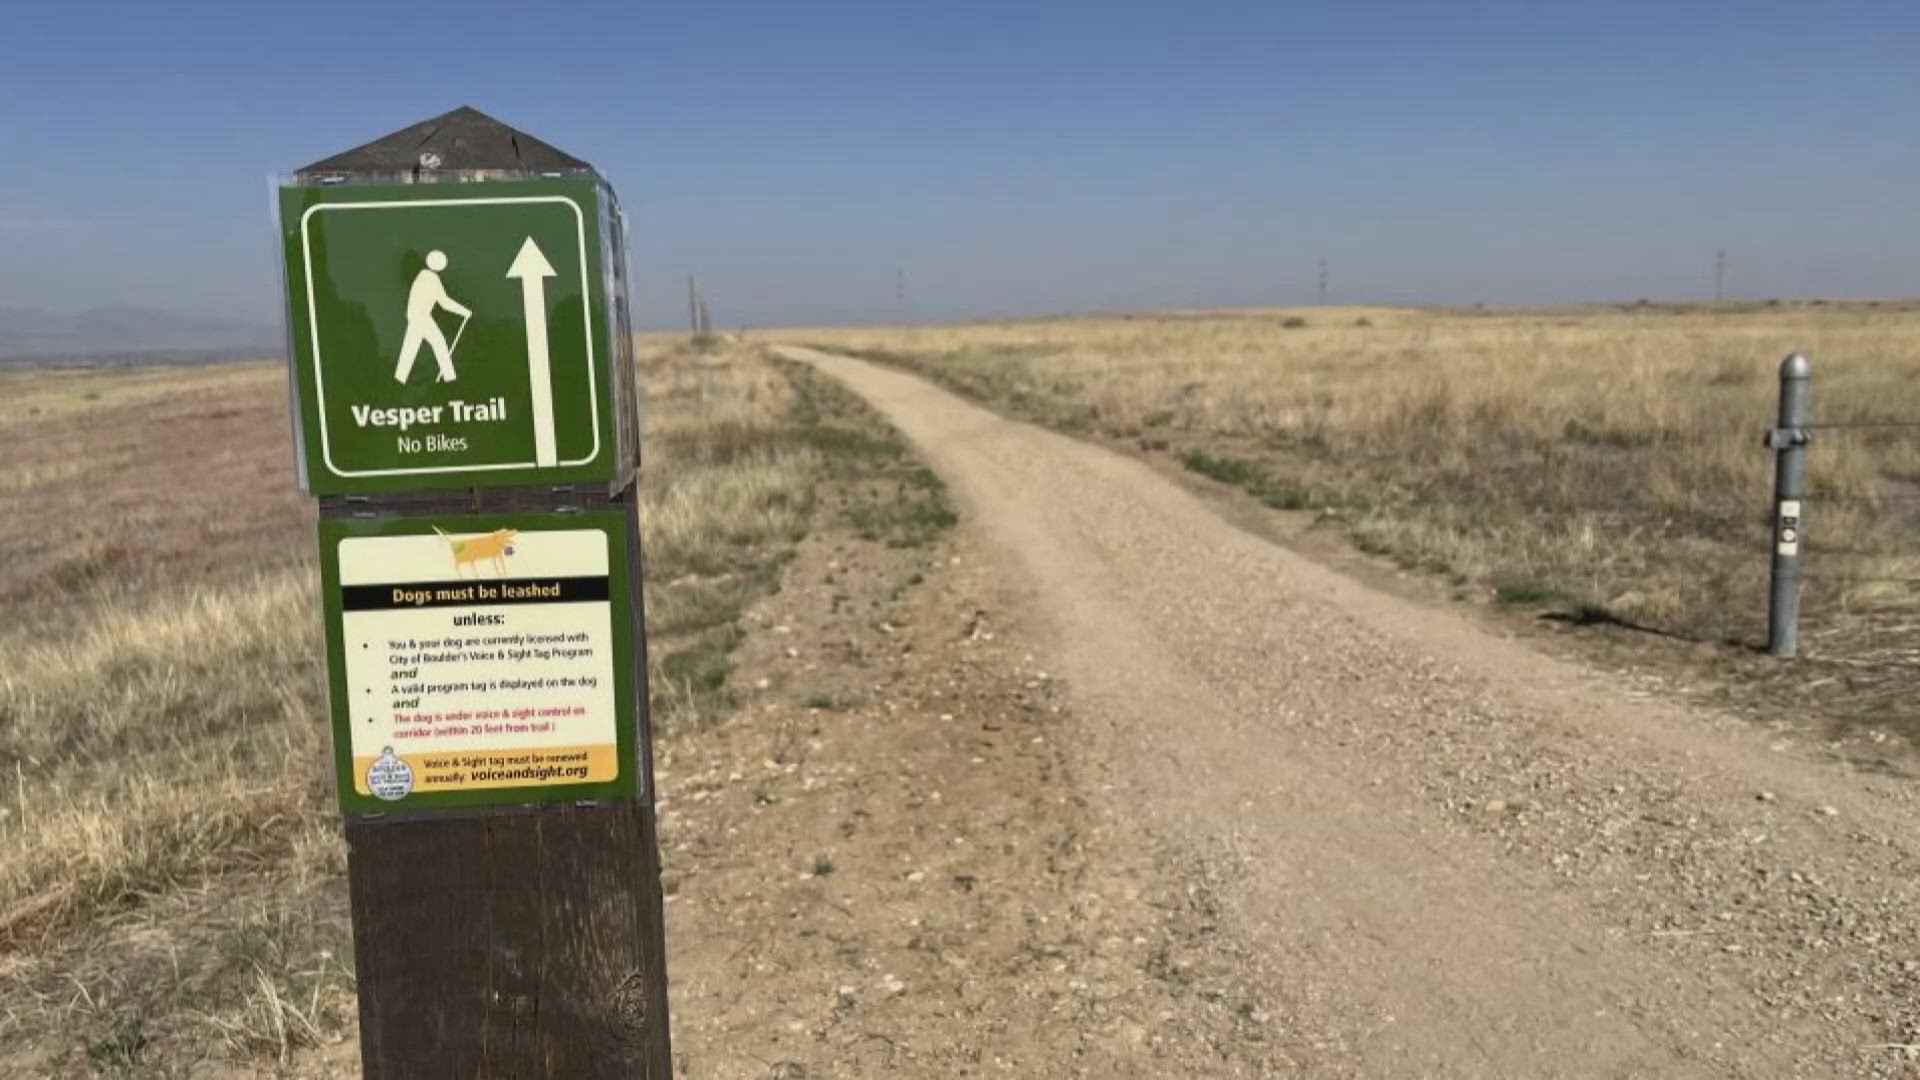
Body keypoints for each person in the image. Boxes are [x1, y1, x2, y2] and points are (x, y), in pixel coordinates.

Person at [393, 250, 472, 383]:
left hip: (415, 315)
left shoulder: (423, 275)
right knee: (439, 342)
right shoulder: (431, 278)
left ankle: (399, 380)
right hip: (421, 316)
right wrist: (464, 311)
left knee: (410, 348)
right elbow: (444, 302)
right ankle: (450, 379)